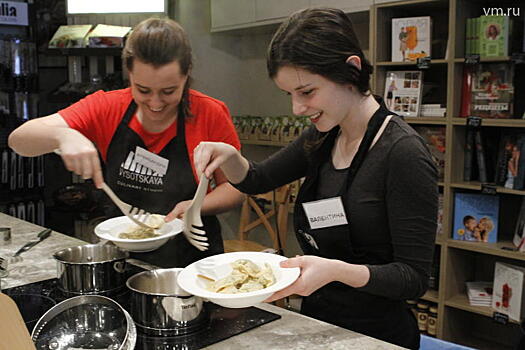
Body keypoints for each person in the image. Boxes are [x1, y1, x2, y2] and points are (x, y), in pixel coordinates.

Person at [193, 8, 437, 350]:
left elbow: (412, 278)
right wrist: (230, 157)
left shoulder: (402, 153)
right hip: (318, 323)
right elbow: (258, 179)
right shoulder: (323, 136)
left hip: (377, 336)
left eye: (307, 92)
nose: (296, 108)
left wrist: (337, 270)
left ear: (351, 69)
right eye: (289, 94)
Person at [8, 18, 244, 267]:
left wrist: (194, 207)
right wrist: (62, 135)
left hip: (195, 261)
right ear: (129, 74)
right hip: (121, 258)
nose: (155, 103)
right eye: (143, 90)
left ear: (186, 75)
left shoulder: (210, 113)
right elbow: (18, 140)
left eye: (168, 91)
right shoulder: (107, 107)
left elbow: (235, 189)